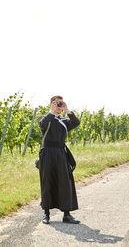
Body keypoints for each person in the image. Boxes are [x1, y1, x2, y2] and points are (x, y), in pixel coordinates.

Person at [38, 95, 81, 224]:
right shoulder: (45, 118)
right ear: (51, 104)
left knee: (64, 182)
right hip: (47, 153)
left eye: (60, 104)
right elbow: (43, 125)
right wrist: (52, 111)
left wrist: (67, 109)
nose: (58, 106)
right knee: (47, 182)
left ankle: (66, 215)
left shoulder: (64, 122)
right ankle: (46, 214)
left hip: (61, 153)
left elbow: (76, 122)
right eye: (56, 103)